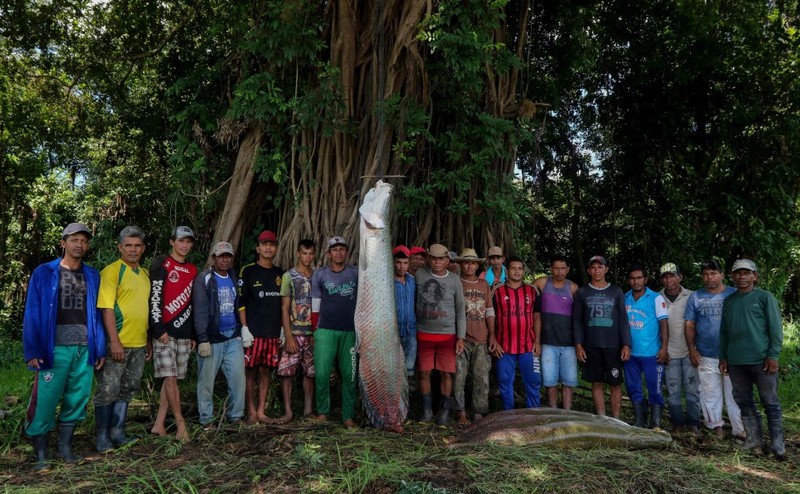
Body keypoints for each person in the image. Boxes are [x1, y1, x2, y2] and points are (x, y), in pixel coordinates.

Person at [23, 223, 106, 471]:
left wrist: (99, 347)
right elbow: (33, 312)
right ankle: (41, 455)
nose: (79, 244)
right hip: (54, 348)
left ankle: (65, 448)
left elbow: (98, 314)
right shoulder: (44, 272)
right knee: (46, 399)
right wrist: (33, 350)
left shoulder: (92, 275)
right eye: (74, 240)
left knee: (77, 398)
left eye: (83, 240)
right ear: (63, 243)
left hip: (84, 348)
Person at [719, 259, 785, 460]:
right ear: (733, 276)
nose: (742, 277)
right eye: (738, 273)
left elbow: (775, 329)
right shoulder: (729, 301)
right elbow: (724, 332)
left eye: (747, 273)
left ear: (755, 276)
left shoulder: (764, 298)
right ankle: (754, 440)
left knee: (770, 401)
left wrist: (773, 355)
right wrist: (723, 357)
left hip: (761, 361)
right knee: (743, 400)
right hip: (737, 361)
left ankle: (777, 443)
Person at [94, 226, 151, 453]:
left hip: (139, 343)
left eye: (137, 246)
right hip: (117, 343)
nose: (133, 250)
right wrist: (114, 341)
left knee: (128, 389)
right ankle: (101, 438)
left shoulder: (145, 274)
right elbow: (106, 308)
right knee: (108, 389)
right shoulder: (111, 271)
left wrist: (147, 339)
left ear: (143, 248)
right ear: (120, 247)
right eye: (128, 245)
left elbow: (144, 308)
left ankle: (117, 433)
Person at [684, 259, 743, 439]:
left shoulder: (734, 294)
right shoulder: (696, 297)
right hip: (706, 355)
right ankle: (716, 427)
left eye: (713, 273)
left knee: (736, 394)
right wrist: (692, 349)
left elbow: (743, 322)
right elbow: (689, 325)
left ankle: (739, 430)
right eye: (706, 274)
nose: (710, 277)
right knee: (710, 393)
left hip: (733, 355)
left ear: (722, 275)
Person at [149, 225, 197, 442]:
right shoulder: (161, 264)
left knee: (173, 379)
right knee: (170, 378)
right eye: (181, 241)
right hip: (165, 332)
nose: (184, 245)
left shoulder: (193, 269)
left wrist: (195, 334)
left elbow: (193, 303)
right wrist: (158, 329)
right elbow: (155, 298)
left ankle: (159, 424)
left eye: (188, 242)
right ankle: (180, 424)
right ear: (172, 242)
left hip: (184, 332)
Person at [193, 241, 246, 429]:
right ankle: (206, 419)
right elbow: (199, 310)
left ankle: (235, 416)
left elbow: (237, 304)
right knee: (206, 381)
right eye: (221, 256)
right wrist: (203, 339)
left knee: (238, 379)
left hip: (233, 337)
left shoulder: (232, 276)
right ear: (214, 257)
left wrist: (242, 329)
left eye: (228, 256)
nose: (224, 259)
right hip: (212, 339)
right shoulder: (204, 279)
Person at [573, 255, 631, 418]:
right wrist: (579, 344)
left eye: (600, 267)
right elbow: (577, 320)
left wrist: (626, 344)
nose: (597, 270)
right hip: (591, 346)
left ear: (606, 269)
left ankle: (616, 419)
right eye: (593, 267)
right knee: (596, 382)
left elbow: (623, 320)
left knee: (615, 383)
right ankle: (602, 418)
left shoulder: (616, 291)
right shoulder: (582, 292)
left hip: (613, 346)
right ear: (589, 271)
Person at [415, 243, 466, 425]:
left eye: (441, 259)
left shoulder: (454, 280)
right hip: (423, 334)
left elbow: (460, 310)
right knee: (424, 373)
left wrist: (461, 337)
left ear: (447, 260)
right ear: (428, 259)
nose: (437, 262)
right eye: (434, 258)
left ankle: (444, 412)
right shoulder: (420, 275)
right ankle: (427, 412)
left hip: (448, 336)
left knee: (446, 373)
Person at [311, 236, 359, 427]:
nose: (338, 252)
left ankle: (348, 416)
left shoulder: (355, 274)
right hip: (325, 331)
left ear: (346, 252)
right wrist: (316, 330)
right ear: (328, 254)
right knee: (322, 374)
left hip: (350, 332)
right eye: (335, 249)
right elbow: (315, 305)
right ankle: (323, 412)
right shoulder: (320, 275)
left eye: (342, 249)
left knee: (350, 375)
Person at [237, 230, 283, 424]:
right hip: (253, 333)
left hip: (272, 332)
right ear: (258, 248)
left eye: (271, 244)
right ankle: (251, 411)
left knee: (266, 372)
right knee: (250, 372)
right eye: (264, 244)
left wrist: (283, 329)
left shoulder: (281, 274)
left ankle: (262, 411)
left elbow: (284, 304)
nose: (268, 248)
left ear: (276, 249)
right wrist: (244, 327)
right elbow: (241, 302)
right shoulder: (247, 271)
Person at [276, 239, 318, 423]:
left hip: (312, 333)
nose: (307, 257)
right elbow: (284, 308)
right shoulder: (289, 276)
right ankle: (288, 412)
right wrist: (288, 335)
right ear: (297, 254)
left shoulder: (317, 276)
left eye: (311, 254)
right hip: (294, 332)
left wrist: (318, 332)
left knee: (311, 373)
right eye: (304, 253)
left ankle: (308, 411)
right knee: (287, 373)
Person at [492, 256, 541, 410]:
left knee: (533, 380)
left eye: (520, 268)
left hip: (529, 345)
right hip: (504, 346)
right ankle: (509, 416)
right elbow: (490, 316)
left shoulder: (532, 291)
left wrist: (538, 341)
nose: (517, 271)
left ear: (523, 271)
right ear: (507, 271)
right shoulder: (497, 291)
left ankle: (534, 416)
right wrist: (493, 339)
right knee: (504, 382)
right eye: (513, 268)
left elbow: (537, 317)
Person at [453, 248, 495, 424]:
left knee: (481, 377)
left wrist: (492, 335)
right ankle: (460, 411)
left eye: (473, 263)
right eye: (466, 262)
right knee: (458, 376)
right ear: (461, 264)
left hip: (481, 338)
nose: (470, 266)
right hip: (460, 339)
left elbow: (489, 311)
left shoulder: (484, 285)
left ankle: (479, 412)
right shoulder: (455, 282)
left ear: (478, 265)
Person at [624, 265, 669, 428]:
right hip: (631, 353)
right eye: (633, 278)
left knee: (655, 388)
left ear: (645, 279)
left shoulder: (655, 298)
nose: (636, 282)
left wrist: (664, 348)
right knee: (633, 387)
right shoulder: (625, 298)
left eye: (639, 278)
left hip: (652, 353)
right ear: (629, 280)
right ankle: (639, 421)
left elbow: (664, 323)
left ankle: (655, 423)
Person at [658, 262, 699, 434]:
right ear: (662, 280)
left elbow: (698, 324)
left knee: (692, 392)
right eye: (666, 277)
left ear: (680, 277)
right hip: (669, 353)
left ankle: (693, 424)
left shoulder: (691, 296)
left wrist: (695, 349)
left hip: (689, 352)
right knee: (673, 392)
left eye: (673, 275)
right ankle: (677, 424)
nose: (670, 280)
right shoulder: (657, 298)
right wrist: (662, 349)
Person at [533, 255, 579, 409]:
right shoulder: (542, 283)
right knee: (550, 381)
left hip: (569, 343)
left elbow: (579, 316)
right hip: (547, 342)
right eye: (556, 268)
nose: (559, 271)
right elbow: (526, 294)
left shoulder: (573, 287)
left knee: (568, 381)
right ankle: (553, 412)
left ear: (568, 270)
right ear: (551, 269)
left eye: (563, 268)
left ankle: (567, 413)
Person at [392, 245, 417, 380]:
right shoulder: (386, 282)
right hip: (392, 333)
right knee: (392, 371)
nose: (402, 266)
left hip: (411, 332)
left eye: (405, 263)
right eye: (398, 262)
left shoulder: (413, 281)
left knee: (408, 372)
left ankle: (405, 399)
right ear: (393, 262)